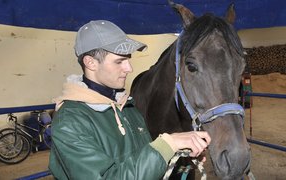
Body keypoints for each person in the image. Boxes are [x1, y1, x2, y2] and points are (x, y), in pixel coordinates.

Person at [49, 20, 211, 180]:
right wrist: (167, 144)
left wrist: (177, 154)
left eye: (128, 59)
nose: (129, 68)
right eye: (119, 61)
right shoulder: (70, 122)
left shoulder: (128, 106)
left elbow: (137, 163)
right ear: (90, 62)